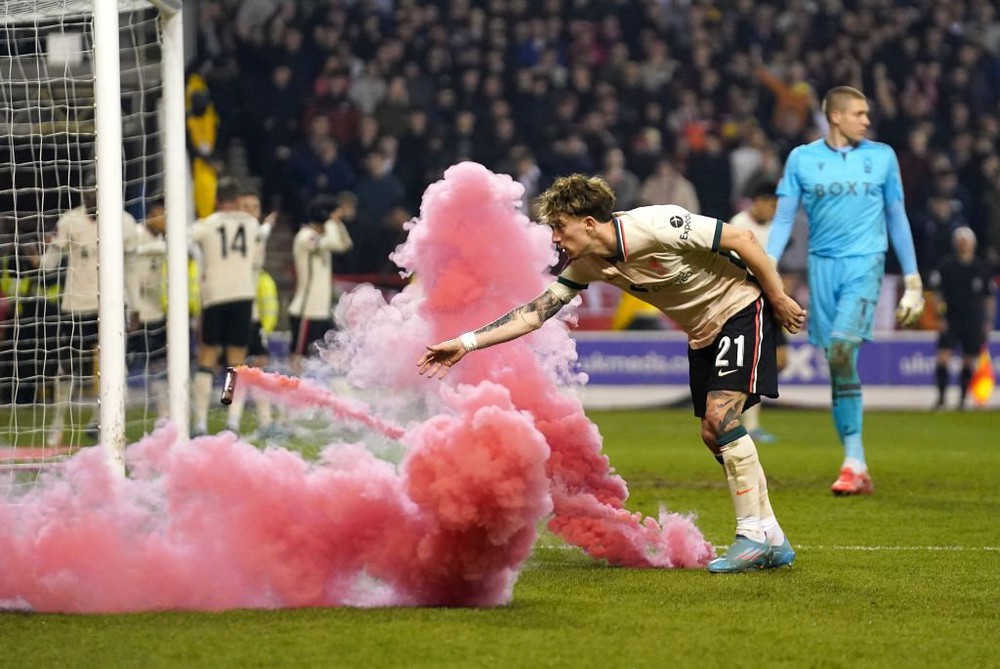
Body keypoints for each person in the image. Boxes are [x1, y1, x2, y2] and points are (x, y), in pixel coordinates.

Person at [418, 174, 807, 574]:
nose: (554, 237)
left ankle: (752, 536)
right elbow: (535, 313)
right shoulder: (588, 265)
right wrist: (465, 343)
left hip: (742, 308)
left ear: (589, 223)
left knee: (720, 416)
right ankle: (772, 537)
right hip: (701, 333)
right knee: (714, 433)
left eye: (559, 226)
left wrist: (777, 297)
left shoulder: (657, 225)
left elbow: (742, 240)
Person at [765, 86, 926, 496]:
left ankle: (852, 461)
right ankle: (856, 460)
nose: (866, 120)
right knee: (839, 364)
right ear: (835, 116)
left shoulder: (882, 157)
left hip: (865, 263)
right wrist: (766, 268)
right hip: (822, 268)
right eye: (859, 113)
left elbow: (897, 216)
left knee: (840, 349)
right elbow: (783, 220)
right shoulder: (803, 159)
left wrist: (912, 280)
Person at [41, 179, 139, 445]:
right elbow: (48, 267)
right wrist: (49, 248)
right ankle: (57, 424)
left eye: (98, 193)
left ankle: (101, 421)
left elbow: (131, 267)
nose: (93, 199)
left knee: (114, 366)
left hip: (113, 305)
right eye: (89, 194)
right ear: (83, 195)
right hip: (76, 304)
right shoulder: (70, 221)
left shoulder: (125, 223)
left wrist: (136, 306)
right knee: (67, 366)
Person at [189, 177, 264, 437]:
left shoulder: (206, 225)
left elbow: (184, 241)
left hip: (214, 296)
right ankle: (231, 419)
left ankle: (199, 423)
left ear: (216, 199)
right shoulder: (253, 224)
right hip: (243, 295)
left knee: (207, 359)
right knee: (236, 363)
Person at [729, 179, 786, 443]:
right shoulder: (739, 224)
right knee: (755, 363)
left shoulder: (775, 228)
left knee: (778, 360)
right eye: (772, 205)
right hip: (746, 298)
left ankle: (744, 409)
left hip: (771, 297)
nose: (774, 211)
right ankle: (749, 424)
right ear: (759, 202)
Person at [225, 184, 279, 437]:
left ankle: (259, 422)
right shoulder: (233, 237)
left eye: (255, 207)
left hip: (252, 313)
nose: (251, 212)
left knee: (256, 367)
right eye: (246, 207)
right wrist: (266, 227)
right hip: (232, 309)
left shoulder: (251, 235)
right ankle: (230, 420)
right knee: (237, 368)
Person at [928, 227, 996, 410]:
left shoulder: (981, 267)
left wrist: (988, 320)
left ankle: (963, 399)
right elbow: (936, 294)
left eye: (966, 241)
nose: (963, 245)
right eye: (960, 241)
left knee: (969, 359)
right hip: (951, 318)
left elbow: (988, 296)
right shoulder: (946, 265)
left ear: (973, 244)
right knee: (943, 356)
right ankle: (941, 399)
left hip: (973, 319)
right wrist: (940, 315)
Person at [287, 192, 355, 370]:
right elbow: (333, 243)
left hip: (321, 310)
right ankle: (291, 393)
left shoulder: (321, 237)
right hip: (306, 310)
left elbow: (345, 244)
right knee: (298, 357)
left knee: (322, 358)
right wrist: (332, 222)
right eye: (334, 215)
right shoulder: (305, 236)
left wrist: (336, 223)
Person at [125, 198, 169, 421]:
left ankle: (164, 416)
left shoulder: (161, 241)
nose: (168, 221)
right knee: (122, 367)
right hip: (135, 314)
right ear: (153, 213)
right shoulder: (136, 236)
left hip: (155, 313)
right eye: (165, 214)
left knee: (159, 366)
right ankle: (105, 418)